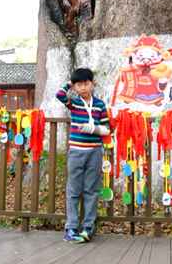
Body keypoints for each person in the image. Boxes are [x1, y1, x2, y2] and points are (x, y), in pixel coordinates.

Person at [56, 68, 110, 243]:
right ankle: (71, 228)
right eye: (79, 84)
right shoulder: (74, 103)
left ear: (92, 83)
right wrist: (70, 84)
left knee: (91, 190)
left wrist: (94, 129)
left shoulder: (100, 104)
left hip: (94, 151)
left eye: (86, 83)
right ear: (75, 86)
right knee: (73, 190)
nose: (83, 87)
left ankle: (88, 227)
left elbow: (107, 128)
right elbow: (59, 94)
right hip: (76, 151)